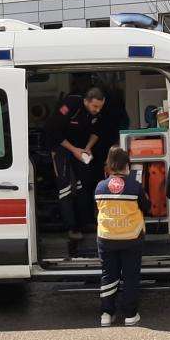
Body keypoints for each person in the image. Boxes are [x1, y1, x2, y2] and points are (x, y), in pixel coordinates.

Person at [95, 147, 149, 327]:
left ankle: (106, 314)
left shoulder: (100, 187)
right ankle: (130, 315)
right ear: (127, 165)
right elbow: (146, 207)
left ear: (109, 165)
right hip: (131, 237)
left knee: (108, 275)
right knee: (130, 276)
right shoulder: (135, 186)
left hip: (106, 237)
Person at [47, 88, 107, 246]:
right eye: (95, 106)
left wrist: (87, 148)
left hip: (81, 149)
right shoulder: (70, 104)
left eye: (100, 107)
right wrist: (74, 150)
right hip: (61, 148)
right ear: (86, 101)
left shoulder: (96, 113)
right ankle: (72, 228)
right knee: (65, 188)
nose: (97, 110)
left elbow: (97, 132)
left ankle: (85, 222)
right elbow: (54, 130)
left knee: (84, 185)